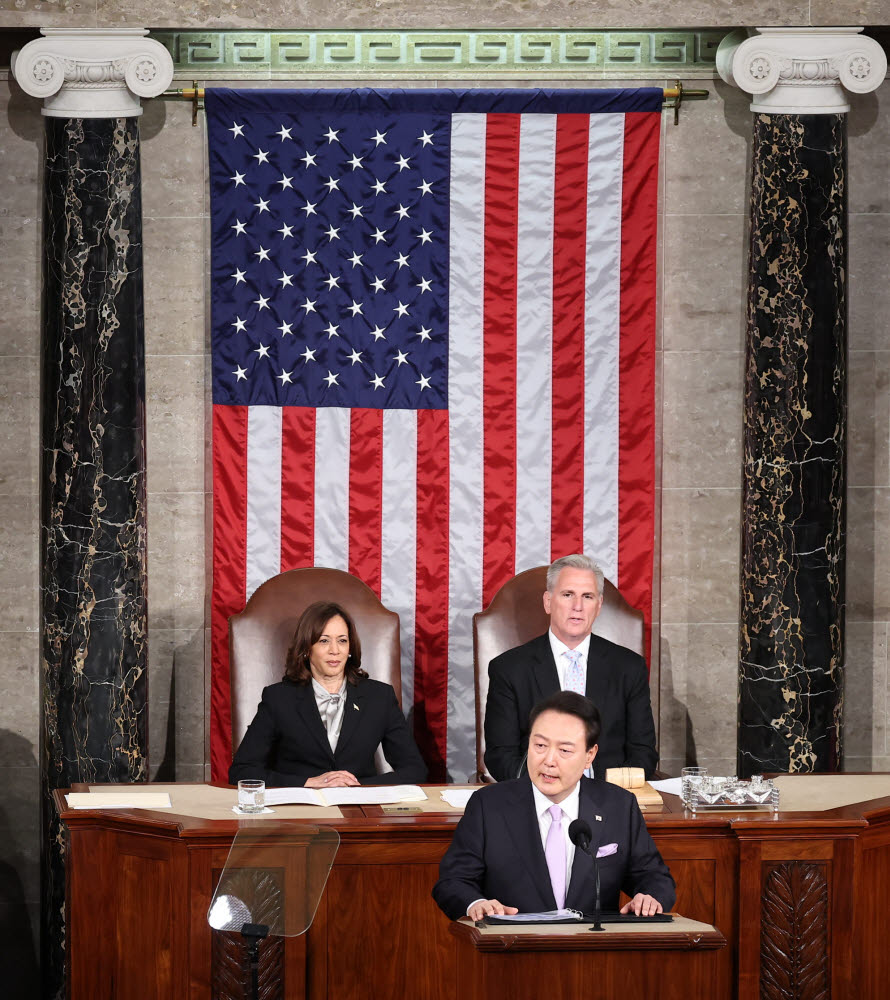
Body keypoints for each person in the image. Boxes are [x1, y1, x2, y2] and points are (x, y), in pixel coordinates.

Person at [433, 692, 675, 921]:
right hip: (512, 950)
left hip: (592, 953)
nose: (548, 760)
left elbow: (654, 876)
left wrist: (649, 898)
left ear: (590, 755)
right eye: (540, 746)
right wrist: (475, 903)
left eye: (564, 750)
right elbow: (453, 882)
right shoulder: (489, 806)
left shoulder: (618, 805)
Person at [484, 553, 657, 782]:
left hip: (609, 800)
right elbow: (501, 756)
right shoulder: (509, 669)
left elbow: (643, 752)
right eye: (568, 595)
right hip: (537, 799)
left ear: (599, 605)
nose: (578, 607)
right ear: (548, 602)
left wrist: (605, 796)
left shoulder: (629, 668)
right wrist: (553, 788)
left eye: (587, 597)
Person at [229, 600, 427, 787]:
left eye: (342, 640)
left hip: (359, 811)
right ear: (307, 648)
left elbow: (415, 770)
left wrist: (357, 787)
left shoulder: (379, 697)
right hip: (300, 810)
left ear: (350, 647)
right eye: (324, 641)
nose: (335, 650)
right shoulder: (279, 699)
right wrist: (308, 783)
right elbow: (242, 771)